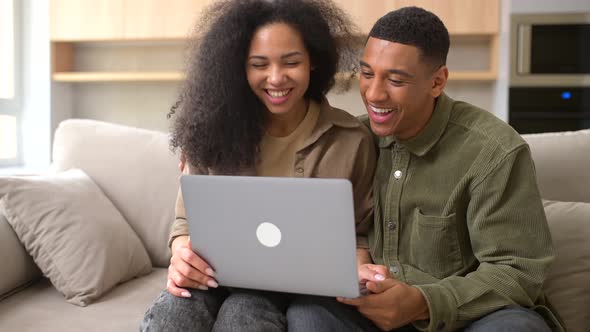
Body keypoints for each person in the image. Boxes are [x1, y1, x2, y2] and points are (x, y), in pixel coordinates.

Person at [140, 0, 377, 331]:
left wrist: (359, 271)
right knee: (171, 312)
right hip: (215, 277)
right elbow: (184, 225)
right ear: (240, 67)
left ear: (313, 62)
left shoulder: (351, 140)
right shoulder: (212, 131)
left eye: (291, 62)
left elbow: (360, 236)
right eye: (259, 64)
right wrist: (182, 256)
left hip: (299, 291)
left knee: (244, 311)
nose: (276, 78)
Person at [334, 6, 565, 332]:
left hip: (468, 319)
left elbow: (517, 270)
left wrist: (422, 303)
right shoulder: (353, 141)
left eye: (395, 80)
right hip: (372, 313)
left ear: (437, 81)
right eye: (367, 74)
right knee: (309, 313)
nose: (373, 94)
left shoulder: (494, 151)